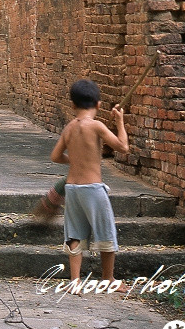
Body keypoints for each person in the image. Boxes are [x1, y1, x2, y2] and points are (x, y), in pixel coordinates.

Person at [50, 78, 128, 284]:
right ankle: (108, 278)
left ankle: (75, 281)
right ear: (98, 104)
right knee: (106, 232)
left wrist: (74, 160)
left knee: (74, 234)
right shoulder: (96, 126)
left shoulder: (69, 128)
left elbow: (55, 157)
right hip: (93, 189)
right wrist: (120, 122)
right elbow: (123, 147)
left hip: (72, 189)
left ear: (73, 105)